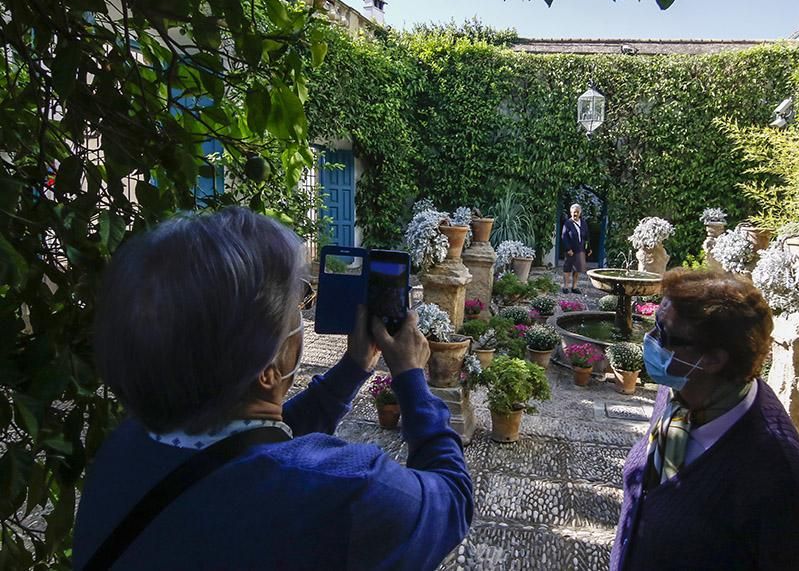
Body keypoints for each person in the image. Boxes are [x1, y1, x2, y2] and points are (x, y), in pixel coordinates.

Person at [74, 208, 473, 570]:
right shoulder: (349, 491)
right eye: (296, 311)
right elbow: (452, 502)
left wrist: (354, 369)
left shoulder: (123, 447)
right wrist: (411, 378)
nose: (301, 318)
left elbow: (255, 445)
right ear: (268, 366)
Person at [611, 268, 799, 571]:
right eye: (655, 325)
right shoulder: (679, 388)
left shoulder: (777, 473)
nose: (650, 340)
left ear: (714, 359)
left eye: (665, 334)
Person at [561, 203, 590, 294]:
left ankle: (574, 287)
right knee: (567, 268)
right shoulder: (568, 223)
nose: (575, 214)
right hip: (571, 250)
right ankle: (566, 286)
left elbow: (587, 236)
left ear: (580, 213)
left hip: (580, 249)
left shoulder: (583, 223)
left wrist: (589, 248)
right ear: (570, 213)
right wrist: (568, 249)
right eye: (574, 212)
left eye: (577, 212)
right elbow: (564, 236)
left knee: (578, 269)